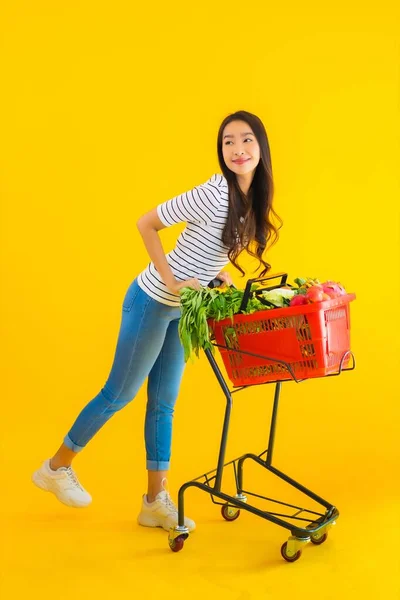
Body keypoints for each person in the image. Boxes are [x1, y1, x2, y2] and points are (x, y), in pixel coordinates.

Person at [31, 110, 282, 532]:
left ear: (262, 145)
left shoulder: (250, 197)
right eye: (228, 143)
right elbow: (146, 224)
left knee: (164, 404)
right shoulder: (214, 192)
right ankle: (55, 468)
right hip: (151, 301)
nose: (238, 150)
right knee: (120, 393)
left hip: (183, 312)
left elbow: (210, 247)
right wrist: (173, 280)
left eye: (246, 140)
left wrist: (214, 275)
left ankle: (154, 502)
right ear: (221, 153)